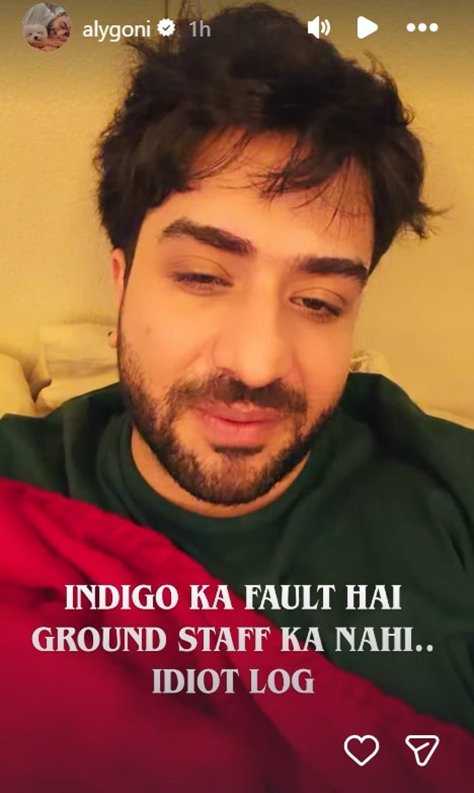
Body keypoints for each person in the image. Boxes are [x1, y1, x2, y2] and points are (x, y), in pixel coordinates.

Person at [2, 0, 474, 741]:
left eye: (318, 301)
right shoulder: (17, 499)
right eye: (202, 277)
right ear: (122, 283)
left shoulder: (453, 496)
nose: (257, 364)